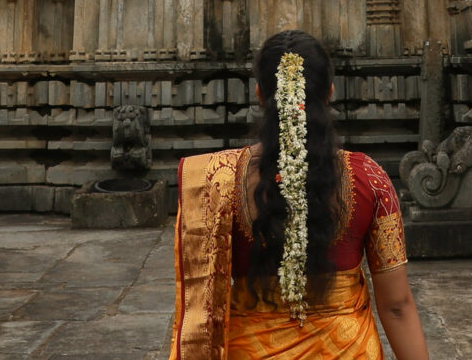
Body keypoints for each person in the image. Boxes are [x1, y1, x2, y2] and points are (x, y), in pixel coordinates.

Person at [169, 30, 430, 359]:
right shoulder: (370, 179)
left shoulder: (215, 179)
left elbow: (201, 310)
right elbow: (397, 308)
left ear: (261, 95)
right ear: (329, 92)